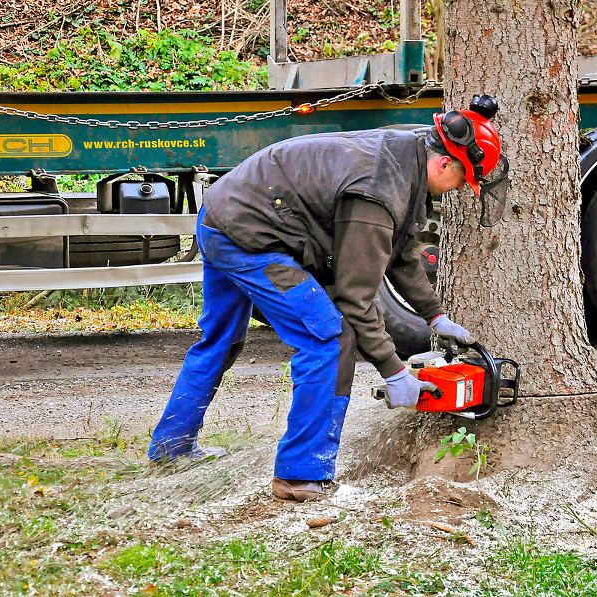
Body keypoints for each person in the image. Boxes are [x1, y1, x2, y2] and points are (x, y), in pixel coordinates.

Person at [147, 94, 509, 502]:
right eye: (463, 180)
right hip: (251, 238)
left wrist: (434, 316)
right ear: (445, 162)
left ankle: (171, 448)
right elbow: (355, 300)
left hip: (226, 214)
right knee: (330, 338)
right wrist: (394, 372)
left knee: (220, 339)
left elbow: (401, 252)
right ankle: (300, 475)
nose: (460, 189)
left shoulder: (405, 153)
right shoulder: (378, 191)